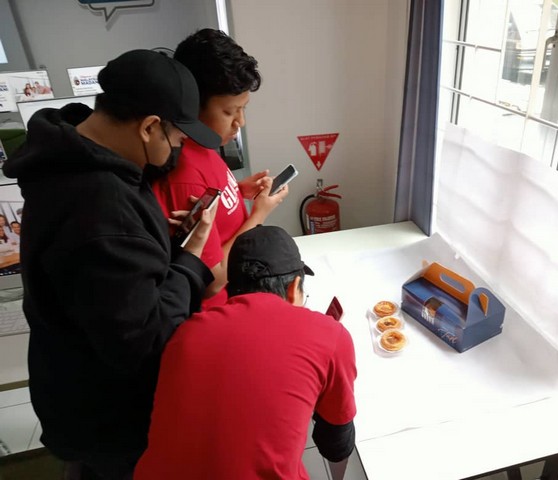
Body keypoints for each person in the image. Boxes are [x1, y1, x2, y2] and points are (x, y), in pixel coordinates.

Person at [2, 49, 221, 480]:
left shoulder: (68, 153)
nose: (180, 147)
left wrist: (157, 244)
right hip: (109, 416)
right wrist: (191, 260)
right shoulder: (102, 212)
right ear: (149, 126)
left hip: (70, 383)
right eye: (177, 137)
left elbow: (106, 280)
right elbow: (147, 341)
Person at [134, 225, 357, 480]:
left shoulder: (186, 332)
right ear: (294, 287)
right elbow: (336, 447)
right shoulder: (328, 335)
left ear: (230, 289)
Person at [153, 28, 289, 308]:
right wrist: (259, 214)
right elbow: (212, 281)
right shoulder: (184, 174)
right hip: (219, 310)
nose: (240, 122)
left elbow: (211, 205)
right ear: (192, 104)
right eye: (229, 111)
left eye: (243, 109)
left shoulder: (205, 145)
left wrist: (236, 191)